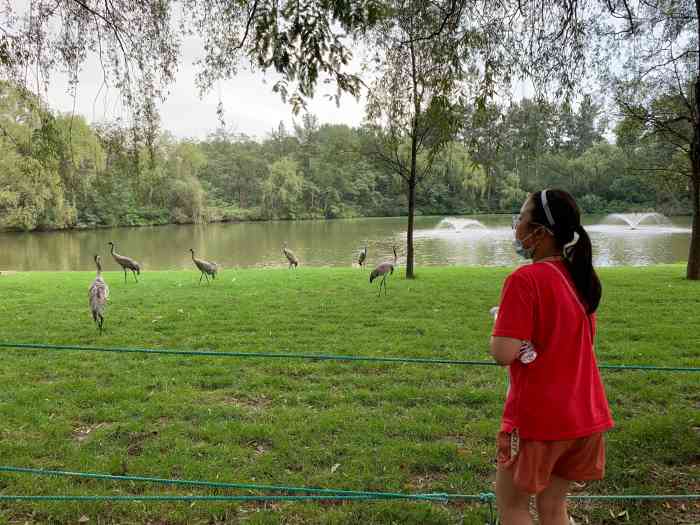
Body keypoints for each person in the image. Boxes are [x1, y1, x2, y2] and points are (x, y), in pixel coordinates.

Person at [490, 189, 614, 525]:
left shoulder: (524, 279)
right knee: (554, 507)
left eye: (522, 216)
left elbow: (503, 353)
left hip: (539, 421)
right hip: (583, 418)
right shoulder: (580, 277)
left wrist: (500, 322)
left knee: (512, 506)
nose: (517, 225)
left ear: (540, 232)